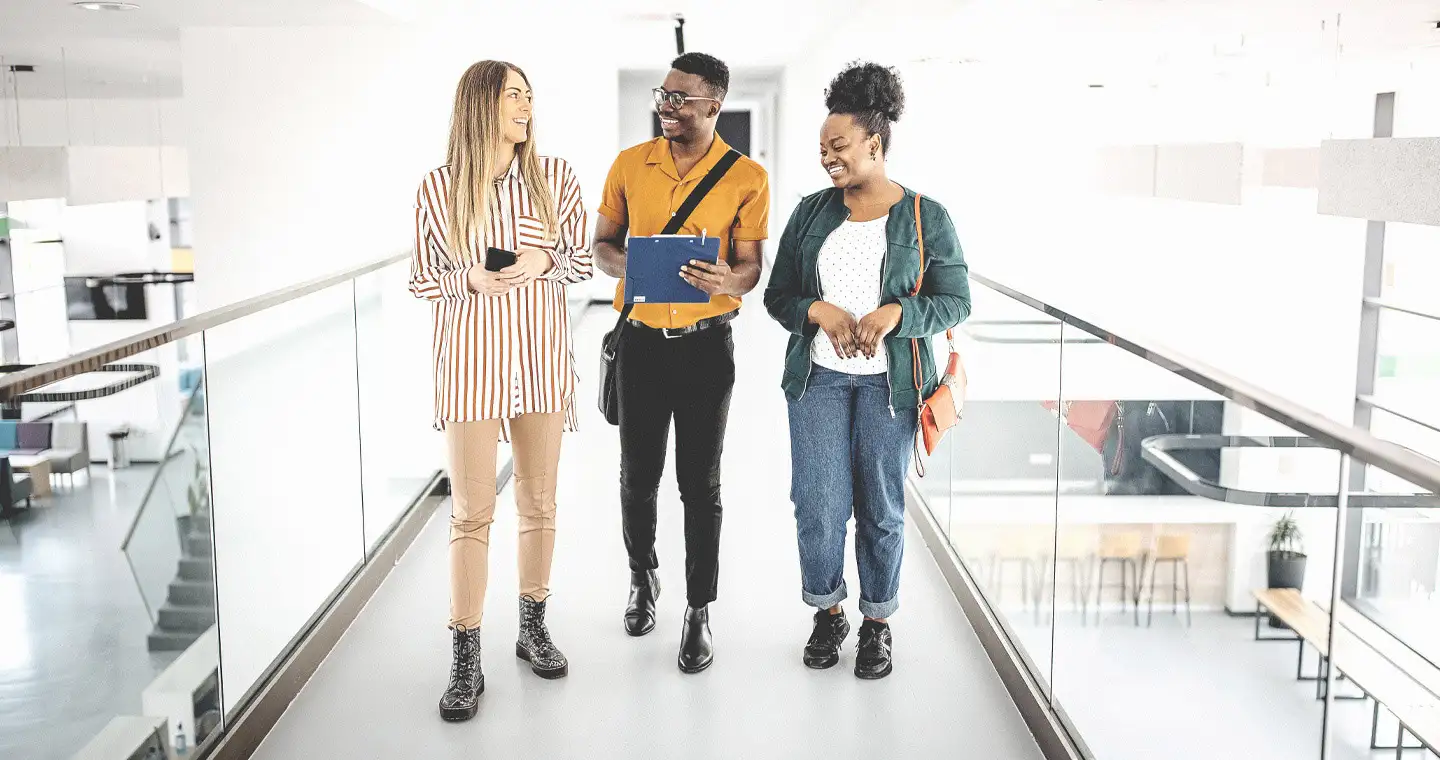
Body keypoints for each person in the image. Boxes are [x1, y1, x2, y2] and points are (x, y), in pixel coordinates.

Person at [763, 61, 970, 679]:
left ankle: (877, 622)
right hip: (818, 380)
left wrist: (893, 314)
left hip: (892, 386)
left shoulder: (926, 216)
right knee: (818, 503)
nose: (827, 157)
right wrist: (818, 310)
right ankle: (828, 613)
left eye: (839, 146)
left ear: (874, 145)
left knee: (881, 507)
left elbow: (955, 300)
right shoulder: (810, 212)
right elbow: (779, 297)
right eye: (823, 147)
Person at [409, 60, 592, 721]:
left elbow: (582, 260)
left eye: (529, 94)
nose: (526, 104)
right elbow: (421, 278)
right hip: (472, 369)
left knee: (539, 501)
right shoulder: (439, 189)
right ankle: (465, 657)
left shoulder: (556, 180)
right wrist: (468, 282)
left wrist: (543, 259)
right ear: (481, 104)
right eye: (513, 94)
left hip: (540, 364)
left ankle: (533, 626)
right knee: (471, 512)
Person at [593, 52, 770, 674]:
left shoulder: (747, 177)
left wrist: (731, 276)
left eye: (679, 98)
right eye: (662, 96)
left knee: (701, 483)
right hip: (640, 342)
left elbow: (750, 268)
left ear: (712, 105)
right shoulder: (627, 166)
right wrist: (632, 264)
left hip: (705, 346)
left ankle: (699, 610)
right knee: (637, 476)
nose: (665, 106)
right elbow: (602, 247)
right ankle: (643, 578)